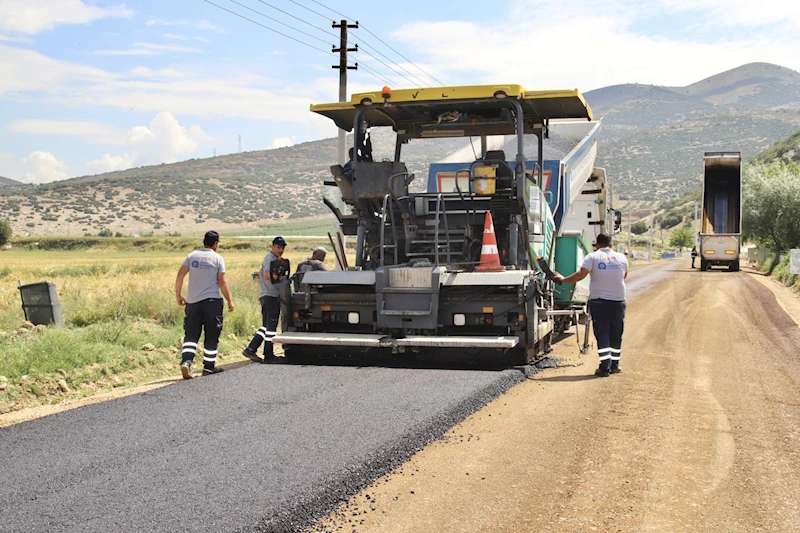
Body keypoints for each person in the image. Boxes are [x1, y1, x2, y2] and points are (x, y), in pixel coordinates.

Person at [553, 233, 629, 378]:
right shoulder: (621, 258)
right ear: (611, 244)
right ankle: (614, 365)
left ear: (597, 245)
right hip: (619, 301)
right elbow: (624, 276)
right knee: (616, 334)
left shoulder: (593, 257)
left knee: (602, 333)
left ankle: (605, 367)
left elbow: (580, 275)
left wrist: (563, 279)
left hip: (599, 302)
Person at [175, 230, 234, 379]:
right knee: (212, 334)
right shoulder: (217, 258)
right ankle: (208, 367)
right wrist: (229, 301)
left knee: (191, 333)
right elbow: (222, 282)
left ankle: (186, 362)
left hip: (193, 301)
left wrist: (178, 295)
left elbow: (180, 275)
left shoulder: (192, 256)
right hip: (212, 302)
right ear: (215, 244)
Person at [243, 236, 290, 363]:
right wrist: (276, 275)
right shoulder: (271, 259)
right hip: (270, 296)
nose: (280, 250)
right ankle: (268, 354)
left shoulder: (271, 258)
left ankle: (251, 349)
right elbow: (265, 275)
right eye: (278, 247)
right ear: (272, 246)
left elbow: (260, 273)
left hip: (266, 294)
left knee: (266, 326)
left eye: (282, 248)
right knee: (271, 327)